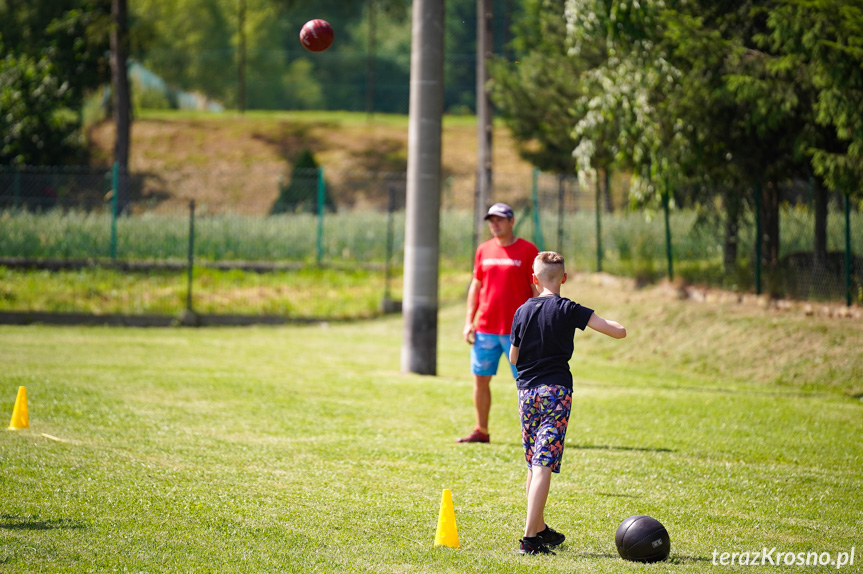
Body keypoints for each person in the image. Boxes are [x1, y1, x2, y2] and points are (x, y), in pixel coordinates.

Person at [509, 251, 626, 555]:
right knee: (544, 463)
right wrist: (619, 324)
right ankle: (529, 539)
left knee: (534, 463)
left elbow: (513, 356)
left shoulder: (522, 311)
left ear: (533, 279)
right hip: (556, 392)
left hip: (526, 393)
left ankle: (539, 528)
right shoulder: (568, 308)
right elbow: (616, 331)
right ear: (563, 278)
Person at [459, 203, 539, 444]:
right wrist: (468, 321)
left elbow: (536, 288)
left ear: (512, 221)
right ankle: (481, 431)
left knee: (527, 383)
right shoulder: (483, 250)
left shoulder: (528, 250)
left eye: (500, 220)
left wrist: (536, 322)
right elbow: (476, 286)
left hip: (518, 331)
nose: (495, 224)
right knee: (480, 379)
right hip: (485, 329)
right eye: (491, 220)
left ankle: (534, 434)